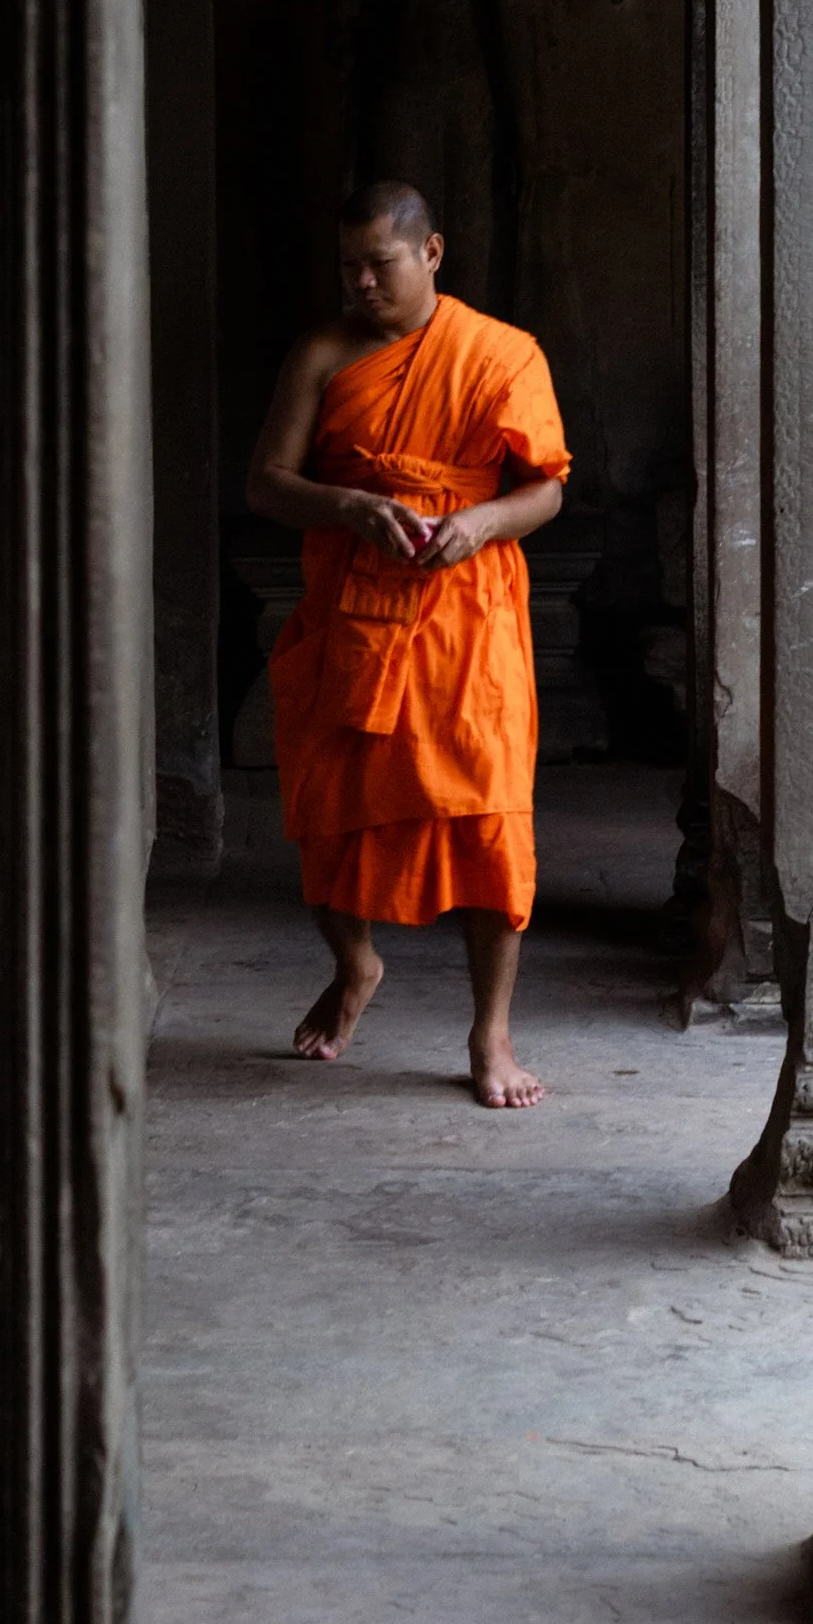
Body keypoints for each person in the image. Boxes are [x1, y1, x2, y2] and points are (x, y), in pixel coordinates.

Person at [244, 179, 570, 1108]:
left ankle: (491, 1034)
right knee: (325, 803)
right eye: (346, 266)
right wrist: (349, 505)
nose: (359, 282)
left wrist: (484, 522)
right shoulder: (322, 353)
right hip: (351, 606)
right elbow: (266, 483)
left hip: (468, 613)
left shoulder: (501, 354)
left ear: (431, 254)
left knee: (489, 818)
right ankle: (355, 969)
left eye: (378, 264)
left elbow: (545, 488)